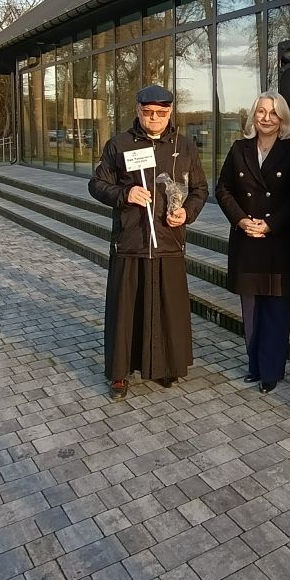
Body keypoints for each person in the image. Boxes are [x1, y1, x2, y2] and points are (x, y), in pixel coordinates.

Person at [89, 84, 208, 400]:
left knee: (167, 308)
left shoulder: (184, 146)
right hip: (131, 241)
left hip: (169, 240)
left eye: (161, 112)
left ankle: (165, 366)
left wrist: (187, 212)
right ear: (138, 111)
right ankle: (119, 372)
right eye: (147, 112)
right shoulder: (119, 145)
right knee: (125, 311)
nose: (154, 118)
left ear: (170, 112)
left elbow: (200, 189)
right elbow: (97, 184)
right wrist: (125, 194)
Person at [216, 92, 290, 394]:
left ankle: (271, 371)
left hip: (279, 241)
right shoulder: (239, 148)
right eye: (261, 111)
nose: (266, 118)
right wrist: (241, 220)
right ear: (253, 115)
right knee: (251, 309)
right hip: (247, 240)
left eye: (273, 113)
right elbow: (223, 189)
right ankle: (255, 366)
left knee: (276, 309)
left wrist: (271, 224)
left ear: (283, 118)